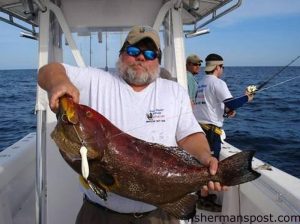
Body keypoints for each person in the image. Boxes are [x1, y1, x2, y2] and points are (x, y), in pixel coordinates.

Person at [38, 25, 226, 224]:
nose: (141, 57)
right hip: (99, 215)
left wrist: (206, 159)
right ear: (121, 54)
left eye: (150, 53)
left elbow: (189, 135)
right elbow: (49, 70)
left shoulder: (175, 91)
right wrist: (58, 82)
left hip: (159, 215)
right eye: (133, 51)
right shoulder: (97, 80)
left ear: (158, 60)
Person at [193, 53, 254, 160]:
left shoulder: (201, 83)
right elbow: (232, 103)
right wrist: (247, 97)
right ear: (217, 67)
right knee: (212, 163)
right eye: (222, 67)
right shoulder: (217, 83)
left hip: (199, 130)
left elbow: (207, 105)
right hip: (211, 134)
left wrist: (225, 112)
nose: (222, 69)